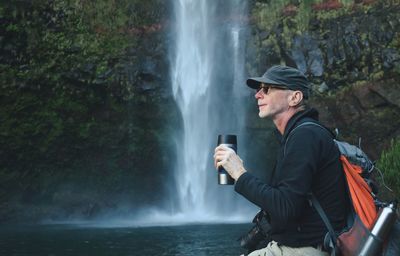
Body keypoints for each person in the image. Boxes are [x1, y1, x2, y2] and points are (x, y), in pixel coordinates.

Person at [214, 65, 348, 256]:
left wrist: (239, 174)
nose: (258, 95)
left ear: (295, 97)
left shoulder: (305, 136)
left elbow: (285, 208)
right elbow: (286, 203)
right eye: (258, 90)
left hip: (308, 249)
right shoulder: (299, 134)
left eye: (267, 89)